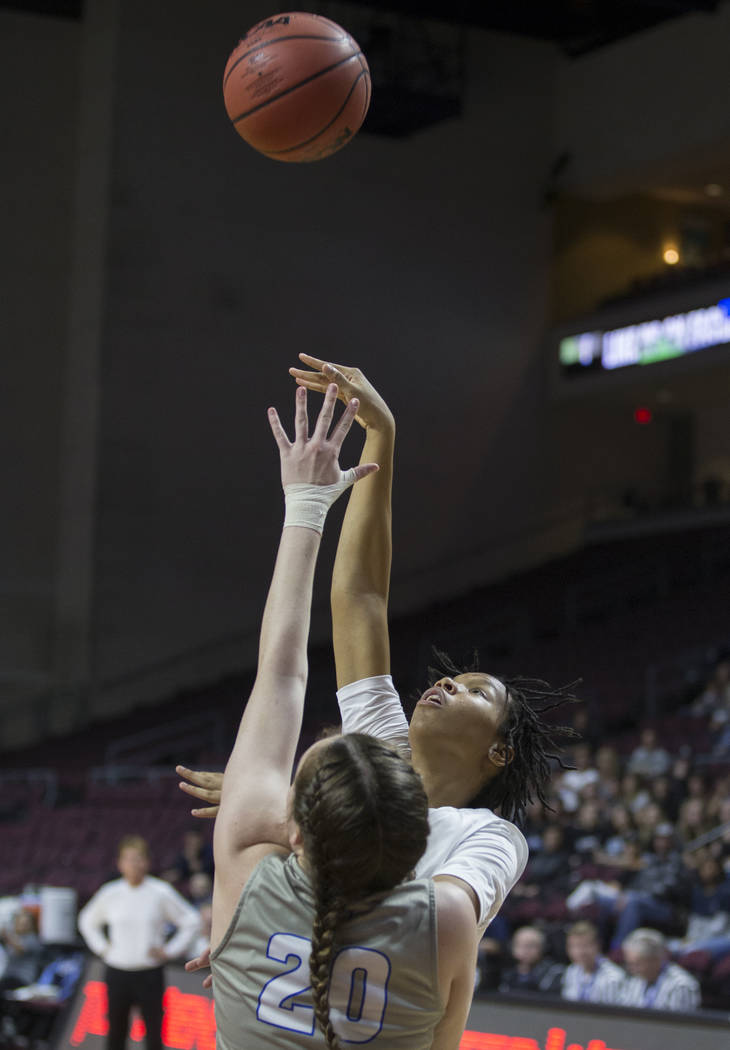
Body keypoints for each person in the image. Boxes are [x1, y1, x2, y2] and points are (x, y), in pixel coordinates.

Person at [178, 360, 576, 945]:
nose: (445, 685)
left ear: (499, 751)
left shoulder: (489, 837)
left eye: (475, 690)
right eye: (452, 678)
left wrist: (296, 809)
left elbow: (428, 922)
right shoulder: (381, 741)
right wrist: (381, 436)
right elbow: (361, 598)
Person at [209, 383, 478, 1050]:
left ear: (292, 829)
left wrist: (305, 504)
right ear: (417, 845)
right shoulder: (447, 919)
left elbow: (281, 672)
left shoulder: (247, 856)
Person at [77, 835, 201, 1050]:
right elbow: (86, 921)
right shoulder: (111, 892)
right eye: (129, 859)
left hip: (149, 973)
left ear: (147, 862)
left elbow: (191, 920)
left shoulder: (159, 892)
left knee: (154, 1034)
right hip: (117, 971)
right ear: (120, 863)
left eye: (138, 858)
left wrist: (170, 950)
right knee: (116, 1033)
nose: (134, 864)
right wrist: (103, 949)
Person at [620, 928, 701, 1011]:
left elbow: (679, 1023)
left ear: (656, 960)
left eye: (637, 964)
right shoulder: (635, 980)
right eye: (629, 963)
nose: (631, 969)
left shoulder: (681, 985)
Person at [562, 921, 625, 1004]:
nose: (580, 952)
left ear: (597, 946)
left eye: (585, 946)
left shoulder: (614, 977)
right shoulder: (571, 971)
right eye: (575, 946)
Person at [498, 926, 564, 996]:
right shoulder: (508, 973)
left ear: (543, 947)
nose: (525, 951)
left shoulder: (555, 972)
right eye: (520, 945)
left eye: (531, 946)